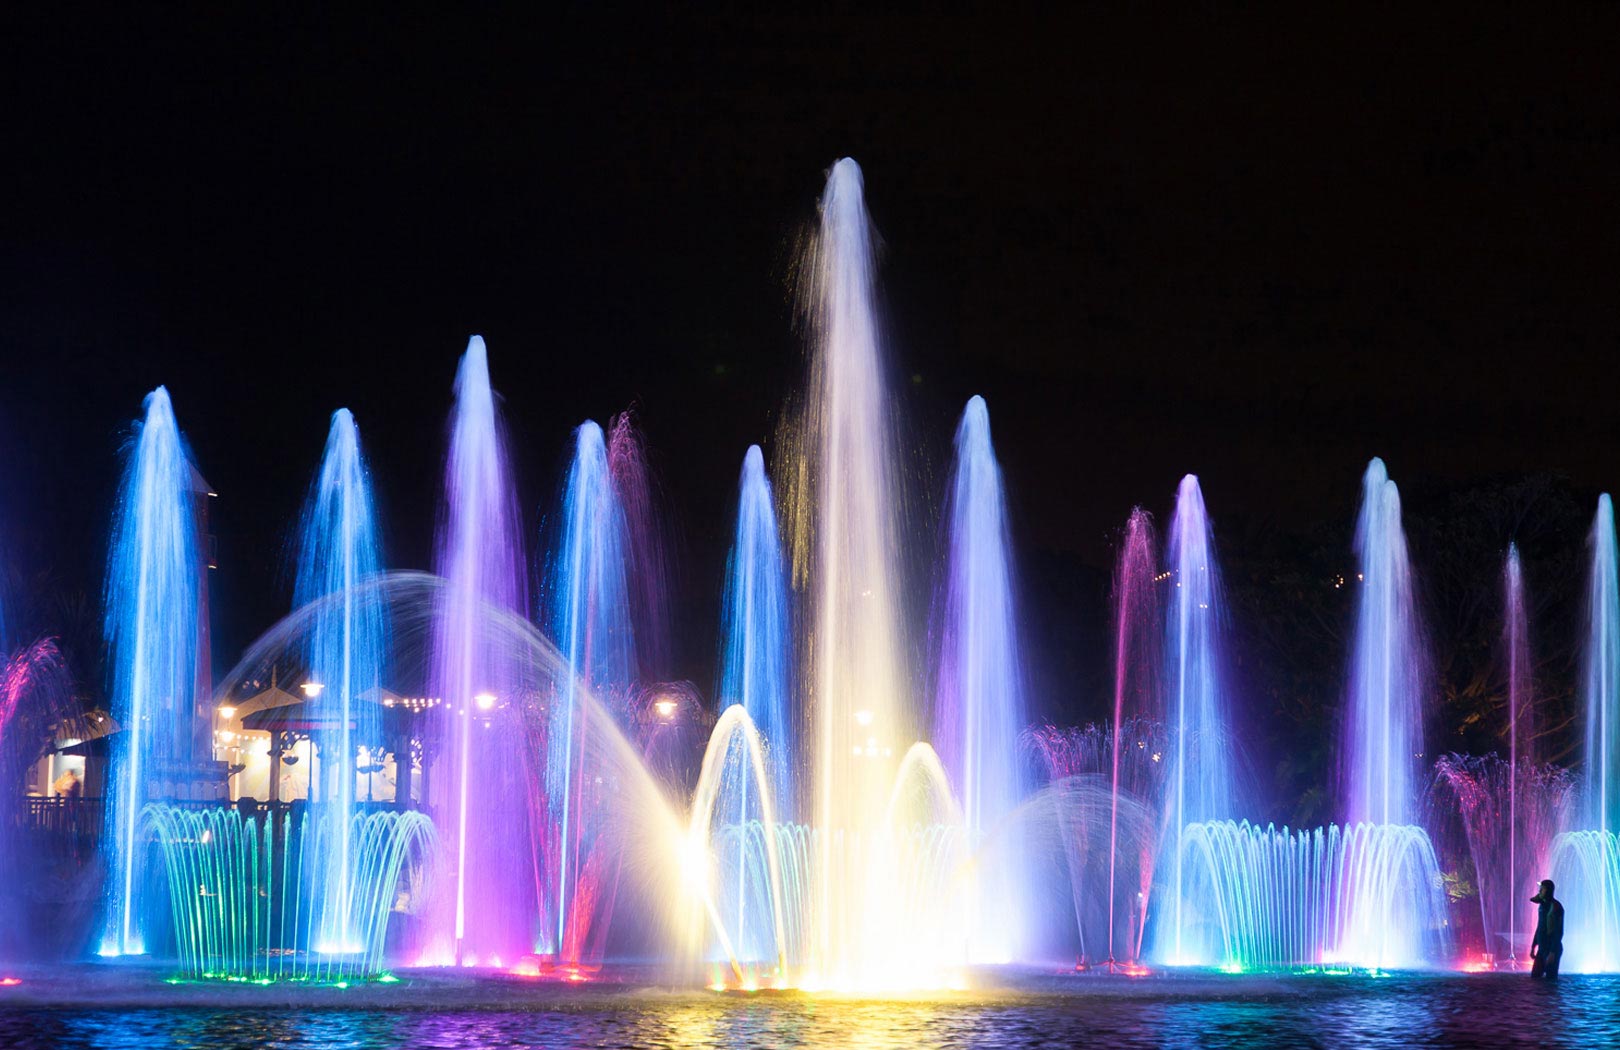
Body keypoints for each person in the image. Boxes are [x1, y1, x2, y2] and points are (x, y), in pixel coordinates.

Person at [1530, 879, 1564, 978]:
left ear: (1548, 890)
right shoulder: (1542, 906)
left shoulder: (1556, 907)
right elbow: (1539, 927)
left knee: (1551, 981)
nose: (1540, 891)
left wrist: (1553, 952)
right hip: (1542, 949)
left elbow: (1559, 931)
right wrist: (1533, 947)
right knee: (1535, 978)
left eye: (1542, 889)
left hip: (1552, 949)